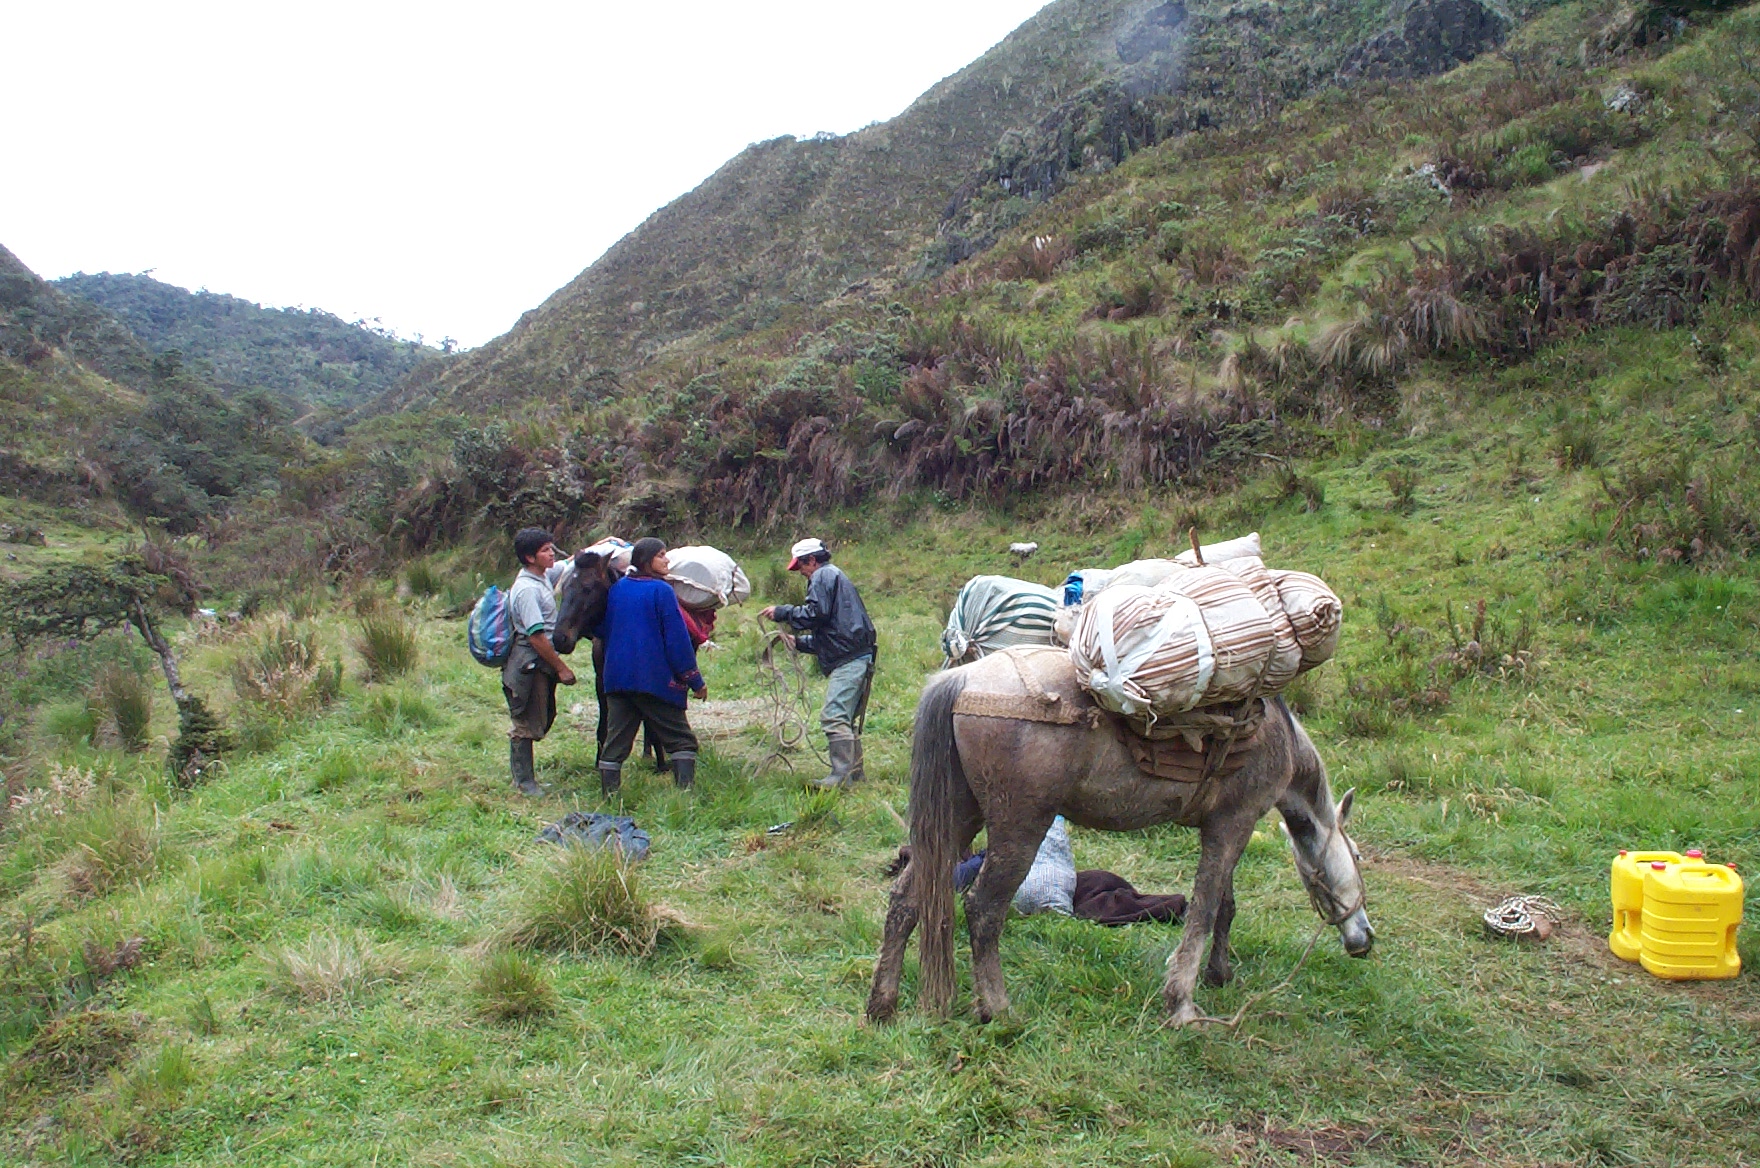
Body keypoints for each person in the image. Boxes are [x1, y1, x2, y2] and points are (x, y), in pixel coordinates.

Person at [760, 537, 876, 789]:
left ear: (812, 560)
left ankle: (841, 777)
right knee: (845, 718)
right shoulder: (835, 576)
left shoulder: (823, 576)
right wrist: (798, 642)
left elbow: (816, 614)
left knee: (834, 716)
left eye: (801, 566)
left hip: (850, 660)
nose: (800, 572)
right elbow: (835, 632)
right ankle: (855, 776)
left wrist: (783, 612)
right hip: (857, 655)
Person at [594, 538, 706, 796]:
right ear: (646, 561)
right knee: (682, 741)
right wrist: (694, 680)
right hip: (654, 680)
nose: (667, 560)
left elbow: (603, 630)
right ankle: (685, 799)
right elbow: (677, 641)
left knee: (615, 744)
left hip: (618, 680)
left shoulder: (618, 589)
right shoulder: (661, 591)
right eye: (661, 555)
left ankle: (609, 799)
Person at [503, 527, 577, 796]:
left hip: (540, 660)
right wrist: (561, 668)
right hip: (529, 661)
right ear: (529, 557)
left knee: (544, 715)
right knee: (526, 721)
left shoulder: (543, 576)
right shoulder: (526, 590)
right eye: (546, 550)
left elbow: (570, 563)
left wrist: (606, 543)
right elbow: (536, 637)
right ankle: (523, 782)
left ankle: (526, 779)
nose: (552, 554)